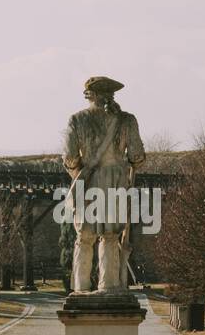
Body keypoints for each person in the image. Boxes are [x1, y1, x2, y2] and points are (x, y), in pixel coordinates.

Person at [62, 76, 145, 292]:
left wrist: (81, 169)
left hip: (88, 181)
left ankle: (80, 287)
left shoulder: (76, 120)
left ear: (91, 95)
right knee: (110, 236)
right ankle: (108, 286)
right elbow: (137, 155)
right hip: (116, 182)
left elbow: (70, 158)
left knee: (84, 237)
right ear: (112, 95)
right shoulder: (128, 120)